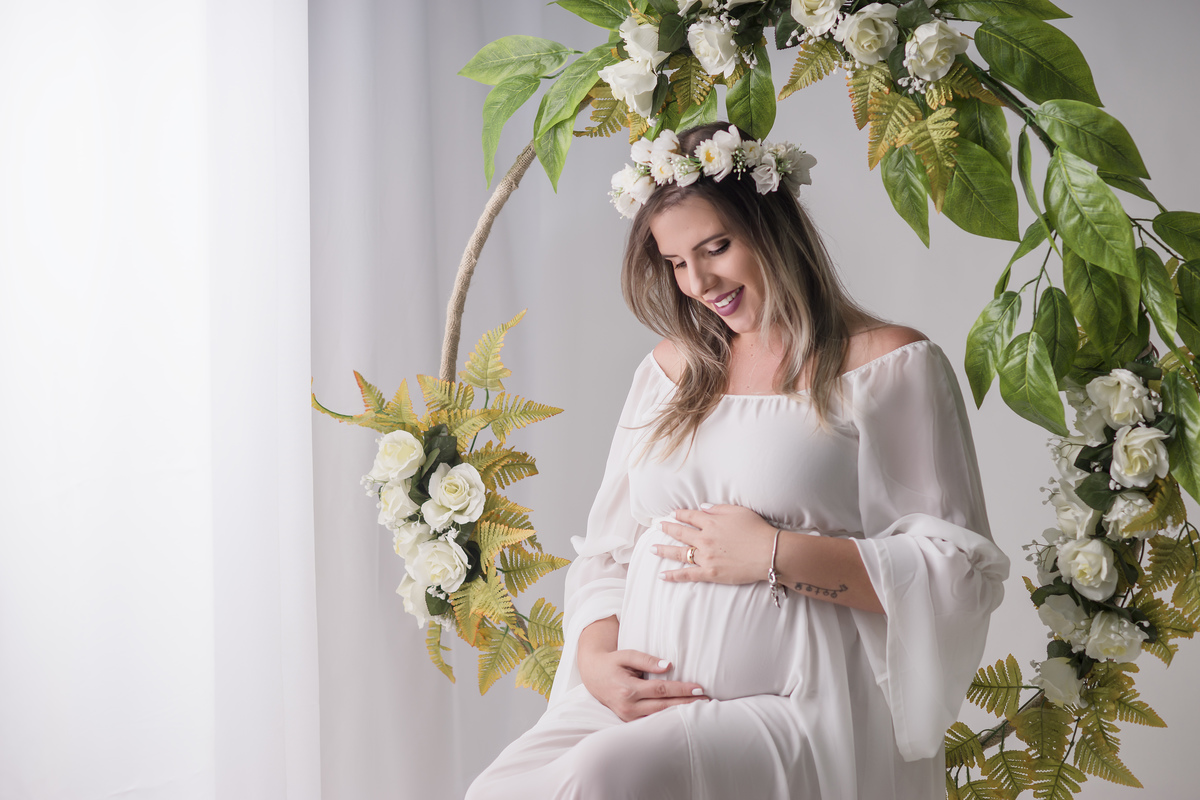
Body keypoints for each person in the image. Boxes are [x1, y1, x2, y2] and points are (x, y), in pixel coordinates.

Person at [465, 122, 1009, 800]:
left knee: (601, 779)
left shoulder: (886, 366)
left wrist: (774, 553)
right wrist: (597, 658)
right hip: (650, 698)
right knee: (500, 791)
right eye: (675, 262)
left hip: (799, 704)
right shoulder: (671, 370)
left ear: (773, 228)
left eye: (715, 247)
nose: (698, 282)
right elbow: (609, 553)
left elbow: (958, 574)